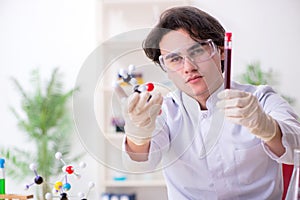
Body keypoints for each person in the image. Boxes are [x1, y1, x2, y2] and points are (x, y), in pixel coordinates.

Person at [114, 6, 300, 199]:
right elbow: (139, 164)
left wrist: (267, 128)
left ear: (220, 51)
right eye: (174, 59)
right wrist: (138, 134)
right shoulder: (165, 111)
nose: (188, 67)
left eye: (196, 51)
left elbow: (297, 146)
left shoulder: (260, 99)